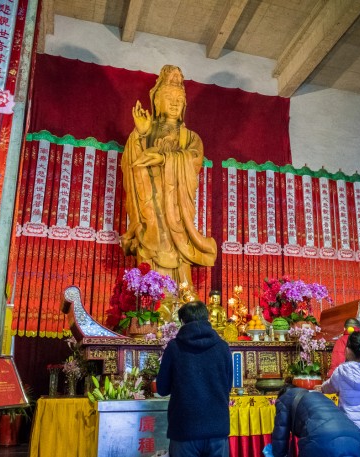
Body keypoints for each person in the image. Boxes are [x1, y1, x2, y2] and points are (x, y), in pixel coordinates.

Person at [120, 65, 217, 285]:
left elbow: (194, 159)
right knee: (151, 235)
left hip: (177, 206)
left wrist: (165, 159)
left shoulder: (190, 137)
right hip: (151, 203)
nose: (174, 103)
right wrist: (140, 133)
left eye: (179, 98)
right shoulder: (146, 131)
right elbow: (131, 163)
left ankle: (184, 292)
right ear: (156, 101)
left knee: (178, 240)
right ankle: (150, 297)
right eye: (169, 97)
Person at [157, 301, 233, 457]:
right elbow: (227, 385)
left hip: (185, 428)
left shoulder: (174, 347)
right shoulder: (223, 347)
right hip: (217, 428)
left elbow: (162, 389)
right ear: (207, 318)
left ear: (182, 321)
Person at [320, 331, 360, 457]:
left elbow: (329, 387)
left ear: (349, 351)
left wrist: (322, 388)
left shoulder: (342, 370)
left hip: (352, 432)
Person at [270, 384, 360, 457]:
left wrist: (278, 454)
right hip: (356, 438)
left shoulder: (284, 399)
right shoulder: (317, 396)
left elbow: (280, 435)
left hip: (321, 438)